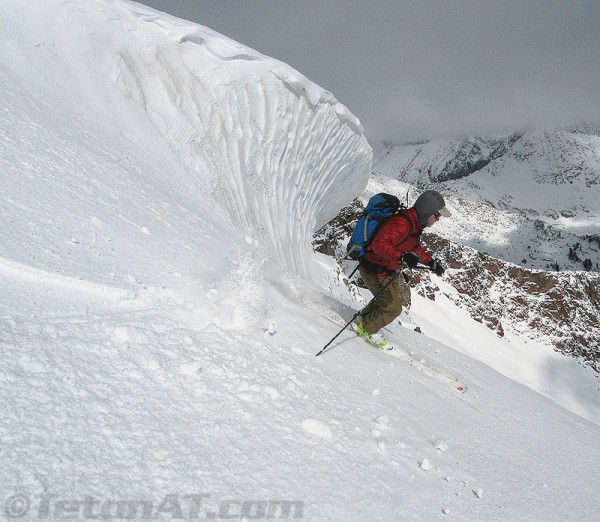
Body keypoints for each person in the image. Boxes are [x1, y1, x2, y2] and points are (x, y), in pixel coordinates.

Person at [355, 190, 451, 348]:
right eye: (437, 215)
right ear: (427, 211)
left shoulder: (414, 224)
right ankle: (366, 329)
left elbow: (414, 246)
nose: (437, 220)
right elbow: (379, 244)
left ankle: (362, 319)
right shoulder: (402, 223)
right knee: (393, 309)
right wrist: (401, 256)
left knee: (386, 301)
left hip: (386, 269)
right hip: (374, 269)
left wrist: (431, 262)